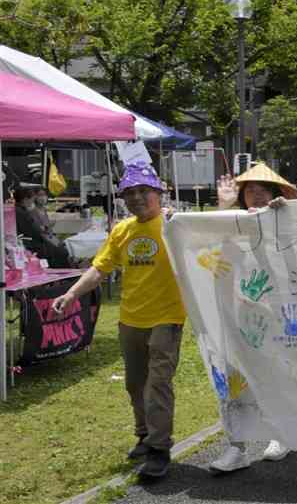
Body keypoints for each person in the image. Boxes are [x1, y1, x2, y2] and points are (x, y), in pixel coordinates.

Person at [51, 162, 187, 479]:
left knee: (158, 385)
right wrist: (71, 294)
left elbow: (212, 235)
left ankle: (158, 449)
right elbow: (100, 269)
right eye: (131, 193)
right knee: (135, 384)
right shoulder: (122, 230)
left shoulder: (174, 224)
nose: (138, 198)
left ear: (158, 192)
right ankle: (143, 435)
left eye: (144, 191)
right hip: (130, 319)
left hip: (167, 318)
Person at [211, 162, 297, 473]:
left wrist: (282, 216)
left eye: (265, 191)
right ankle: (235, 446)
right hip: (235, 315)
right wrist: (224, 208)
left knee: (276, 374)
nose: (258, 196)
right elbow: (207, 249)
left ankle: (281, 434)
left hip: (275, 315)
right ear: (242, 196)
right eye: (251, 191)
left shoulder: (284, 223)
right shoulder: (229, 224)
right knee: (233, 380)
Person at [13, 184, 71, 268]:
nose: (32, 202)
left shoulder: (24, 211)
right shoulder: (24, 213)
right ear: (26, 199)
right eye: (32, 200)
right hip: (32, 242)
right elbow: (35, 231)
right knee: (60, 251)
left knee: (60, 248)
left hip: (39, 239)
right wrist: (46, 231)